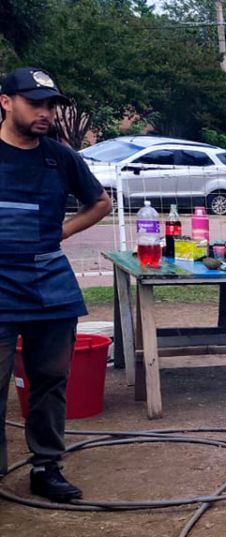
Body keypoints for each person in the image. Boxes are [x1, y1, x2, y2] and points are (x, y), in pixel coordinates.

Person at [0, 68, 111, 502]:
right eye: (35, 103)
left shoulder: (59, 156)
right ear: (6, 101)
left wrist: (62, 232)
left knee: (49, 381)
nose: (45, 113)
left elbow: (99, 202)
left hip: (49, 283)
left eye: (50, 105)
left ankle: (46, 467)